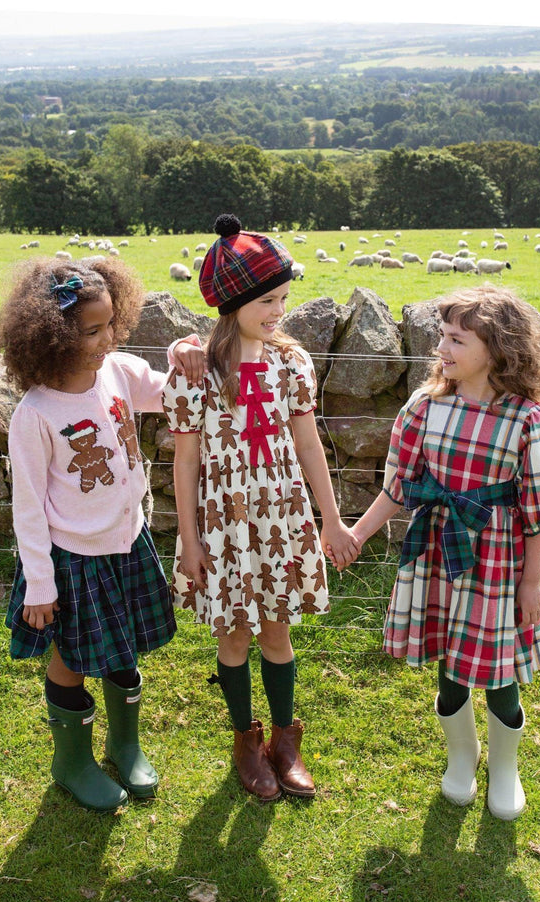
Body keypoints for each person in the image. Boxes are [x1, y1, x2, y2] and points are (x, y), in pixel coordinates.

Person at [341, 285, 540, 820]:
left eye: (457, 340)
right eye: (442, 336)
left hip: (498, 560)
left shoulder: (527, 422)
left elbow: (536, 513)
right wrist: (358, 533)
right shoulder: (425, 406)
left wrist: (530, 583)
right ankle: (462, 756)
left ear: (498, 349)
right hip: (438, 551)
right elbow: (399, 486)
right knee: (448, 654)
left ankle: (505, 767)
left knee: (497, 665)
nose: (441, 348)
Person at [0, 255, 205, 812]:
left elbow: (167, 393)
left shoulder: (118, 371)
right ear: (51, 336)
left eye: (111, 324)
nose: (106, 339)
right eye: (91, 331)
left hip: (127, 541)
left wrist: (182, 355)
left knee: (123, 644)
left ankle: (124, 744)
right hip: (74, 557)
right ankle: (72, 763)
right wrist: (41, 585)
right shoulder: (35, 413)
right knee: (70, 656)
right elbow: (28, 509)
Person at [162, 214, 359, 801]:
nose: (278, 311)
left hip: (282, 515)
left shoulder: (291, 363)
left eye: (283, 299)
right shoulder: (196, 372)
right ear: (233, 303)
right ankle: (245, 742)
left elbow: (308, 444)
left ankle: (284, 741)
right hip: (224, 524)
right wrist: (190, 540)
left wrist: (331, 520)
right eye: (266, 301)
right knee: (233, 637)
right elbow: (185, 463)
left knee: (276, 631)